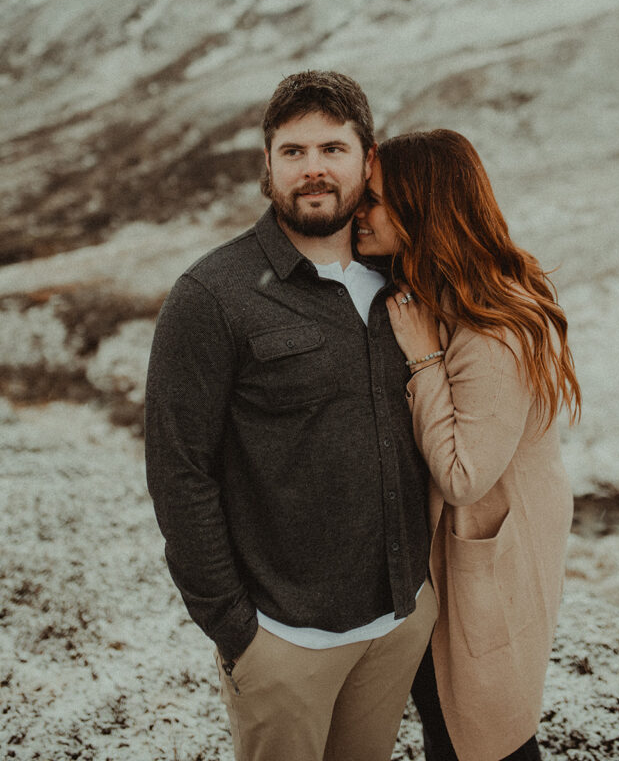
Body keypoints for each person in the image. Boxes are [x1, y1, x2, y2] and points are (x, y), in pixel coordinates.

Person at [144, 70, 435, 761]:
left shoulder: (407, 279)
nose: (313, 170)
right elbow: (178, 471)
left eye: (332, 149)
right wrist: (237, 630)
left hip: (398, 621)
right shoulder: (211, 296)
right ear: (265, 165)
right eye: (294, 151)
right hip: (283, 640)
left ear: (368, 159)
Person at [354, 129, 581, 761]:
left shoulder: (490, 328)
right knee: (452, 716)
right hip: (469, 547)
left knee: (486, 733)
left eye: (373, 199)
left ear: (420, 206)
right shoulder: (444, 294)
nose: (359, 213)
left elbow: (462, 476)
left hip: (492, 546)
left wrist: (423, 358)